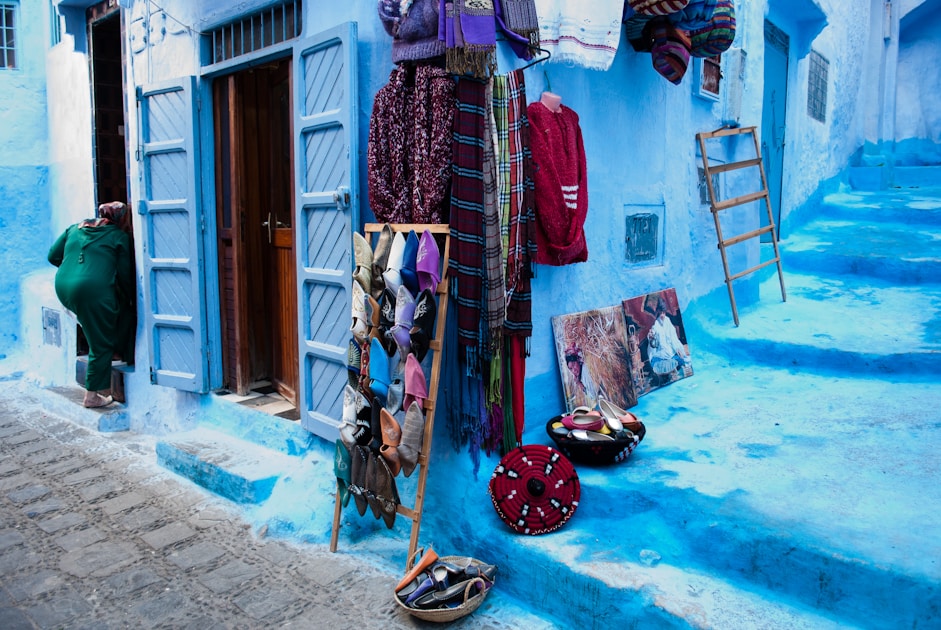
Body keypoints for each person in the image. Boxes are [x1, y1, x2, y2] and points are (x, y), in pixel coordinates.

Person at [47, 201, 134, 408]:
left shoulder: (73, 229)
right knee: (100, 343)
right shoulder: (118, 236)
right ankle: (92, 396)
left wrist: (74, 270)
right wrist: (129, 297)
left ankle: (113, 351)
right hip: (92, 290)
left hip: (63, 287)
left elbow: (53, 256)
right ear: (121, 219)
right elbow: (124, 275)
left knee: (95, 321)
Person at [646, 299, 690, 378]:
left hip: (671, 353)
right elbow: (653, 342)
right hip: (661, 355)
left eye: (663, 313)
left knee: (681, 361)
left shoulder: (668, 321)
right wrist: (651, 337)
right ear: (658, 312)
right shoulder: (655, 325)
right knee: (654, 364)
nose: (662, 315)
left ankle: (670, 366)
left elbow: (674, 338)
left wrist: (677, 348)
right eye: (660, 313)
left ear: (665, 312)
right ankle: (668, 367)